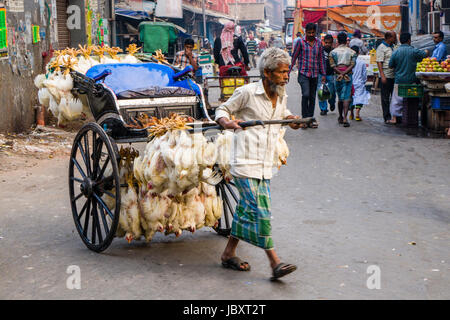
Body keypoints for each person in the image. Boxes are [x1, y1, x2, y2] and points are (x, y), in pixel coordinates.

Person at [215, 47, 304, 280]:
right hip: (245, 161)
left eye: (288, 72)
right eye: (282, 72)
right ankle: (274, 261)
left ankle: (228, 253)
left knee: (246, 209)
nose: (286, 77)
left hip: (265, 163)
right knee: (260, 211)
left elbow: (282, 115)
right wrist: (227, 122)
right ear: (267, 72)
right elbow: (222, 109)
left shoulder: (281, 93)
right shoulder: (247, 92)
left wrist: (292, 120)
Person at [289, 23, 326, 128]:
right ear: (305, 32)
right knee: (305, 94)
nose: (311, 34)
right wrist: (287, 72)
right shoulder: (300, 42)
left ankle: (310, 119)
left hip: (315, 74)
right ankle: (304, 119)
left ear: (315, 32)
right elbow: (294, 57)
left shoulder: (319, 43)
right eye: (309, 32)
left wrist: (323, 74)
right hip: (303, 73)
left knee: (312, 97)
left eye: (313, 32)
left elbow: (321, 59)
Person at [388, 32, 429, 125]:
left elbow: (390, 65)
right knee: (411, 100)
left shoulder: (396, 52)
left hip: (399, 80)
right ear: (409, 40)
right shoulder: (413, 51)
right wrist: (427, 51)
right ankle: (409, 117)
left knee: (396, 100)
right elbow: (424, 54)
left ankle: (394, 118)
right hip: (411, 81)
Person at [329, 32, 357, 127]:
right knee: (347, 97)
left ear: (337, 41)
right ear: (346, 41)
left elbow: (332, 66)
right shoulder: (352, 52)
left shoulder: (332, 52)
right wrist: (345, 73)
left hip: (337, 76)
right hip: (348, 75)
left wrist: (340, 73)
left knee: (340, 97)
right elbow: (352, 64)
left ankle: (340, 116)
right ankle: (345, 117)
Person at [376, 31, 397, 123]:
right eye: (394, 37)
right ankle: (387, 116)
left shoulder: (393, 47)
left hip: (394, 75)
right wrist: (382, 75)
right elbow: (379, 62)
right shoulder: (381, 48)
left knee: (394, 97)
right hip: (386, 75)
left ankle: (395, 116)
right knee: (385, 98)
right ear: (389, 38)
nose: (395, 39)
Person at [350, 45, 371, 121]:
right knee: (360, 99)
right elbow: (364, 74)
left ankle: (351, 113)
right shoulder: (362, 63)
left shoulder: (349, 62)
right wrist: (364, 81)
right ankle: (357, 114)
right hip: (360, 83)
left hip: (351, 83)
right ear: (359, 52)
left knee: (351, 98)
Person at [318, 34, 336, 115]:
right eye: (326, 42)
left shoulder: (334, 52)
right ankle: (323, 109)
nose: (327, 44)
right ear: (323, 42)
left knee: (331, 92)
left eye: (329, 43)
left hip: (331, 74)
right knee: (321, 91)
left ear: (332, 43)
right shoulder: (320, 51)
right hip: (320, 74)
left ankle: (332, 103)